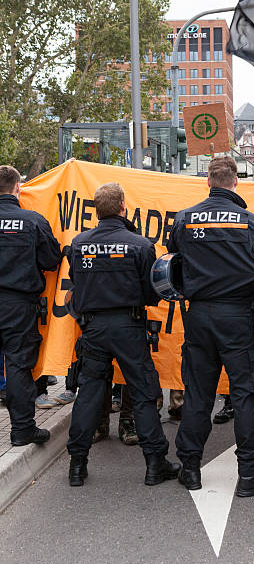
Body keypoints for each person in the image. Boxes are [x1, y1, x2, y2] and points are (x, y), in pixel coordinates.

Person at [169, 156, 254, 497]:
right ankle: (250, 475)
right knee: (246, 394)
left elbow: (174, 257)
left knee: (198, 393)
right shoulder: (252, 222)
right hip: (238, 316)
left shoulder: (185, 219)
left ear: (208, 182)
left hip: (200, 316)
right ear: (236, 182)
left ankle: (190, 469)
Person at [66, 182, 179, 487]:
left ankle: (77, 465)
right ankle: (155, 464)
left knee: (89, 393)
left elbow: (76, 283)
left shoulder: (78, 243)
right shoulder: (140, 244)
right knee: (142, 392)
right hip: (128, 326)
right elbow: (151, 291)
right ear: (122, 207)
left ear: (97, 210)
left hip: (93, 327)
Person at [0, 165, 62, 446]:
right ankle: (22, 429)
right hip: (17, 304)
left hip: (17, 301)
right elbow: (51, 260)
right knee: (17, 364)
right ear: (18, 188)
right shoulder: (32, 221)